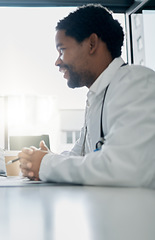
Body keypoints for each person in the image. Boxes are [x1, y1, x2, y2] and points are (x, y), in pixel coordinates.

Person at [19, 4, 155, 188]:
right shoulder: (98, 95)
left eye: (62, 50)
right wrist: (43, 158)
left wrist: (45, 164)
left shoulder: (135, 82)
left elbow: (124, 168)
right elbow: (80, 156)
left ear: (91, 44)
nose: (57, 61)